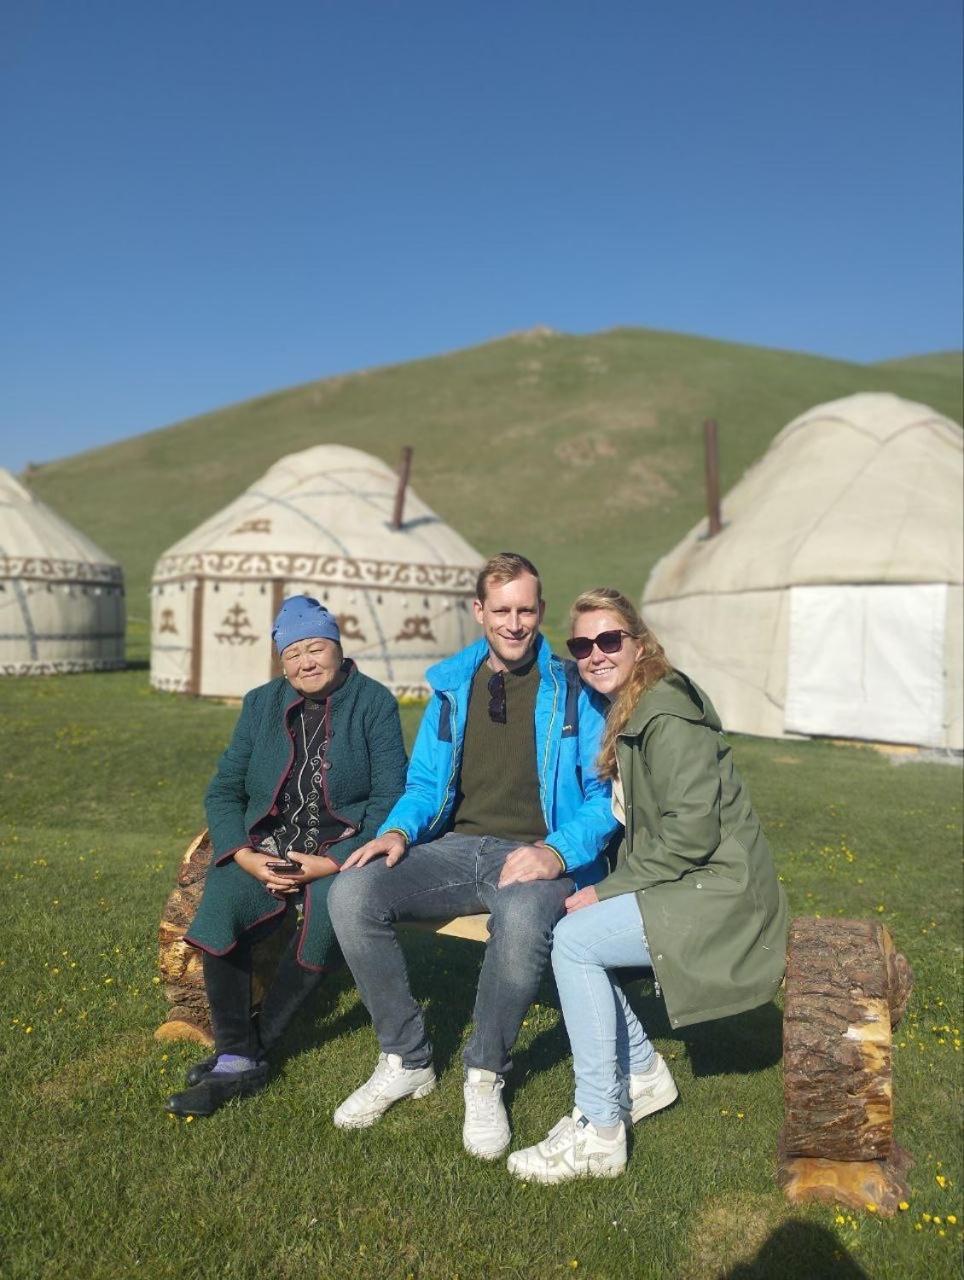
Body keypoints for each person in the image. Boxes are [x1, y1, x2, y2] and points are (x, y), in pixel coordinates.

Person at [327, 553, 619, 1159]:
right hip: (458, 847)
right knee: (351, 892)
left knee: (519, 919)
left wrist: (556, 851)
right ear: (478, 611)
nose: (514, 624)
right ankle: (406, 1057)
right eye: (502, 610)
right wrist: (400, 832)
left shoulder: (575, 690)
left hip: (539, 853)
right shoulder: (452, 688)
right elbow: (426, 786)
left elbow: (603, 799)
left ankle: (484, 1074)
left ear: (540, 611)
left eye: (527, 610)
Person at [507, 586, 788, 1182]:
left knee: (577, 939)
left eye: (609, 640)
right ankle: (641, 1073)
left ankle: (601, 1129)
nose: (595, 654)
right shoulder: (636, 709)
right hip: (695, 880)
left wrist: (606, 891)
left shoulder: (667, 717)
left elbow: (689, 836)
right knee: (578, 932)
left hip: (723, 891)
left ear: (639, 643)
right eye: (582, 645)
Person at [164, 595, 407, 1118]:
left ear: (338, 648)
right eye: (292, 653)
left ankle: (245, 1055)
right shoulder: (260, 704)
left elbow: (391, 797)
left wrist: (335, 859)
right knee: (223, 895)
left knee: (325, 912)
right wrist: (245, 855)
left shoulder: (374, 703)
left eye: (315, 647)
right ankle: (239, 1054)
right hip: (268, 847)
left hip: (345, 848)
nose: (305, 662)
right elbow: (224, 791)